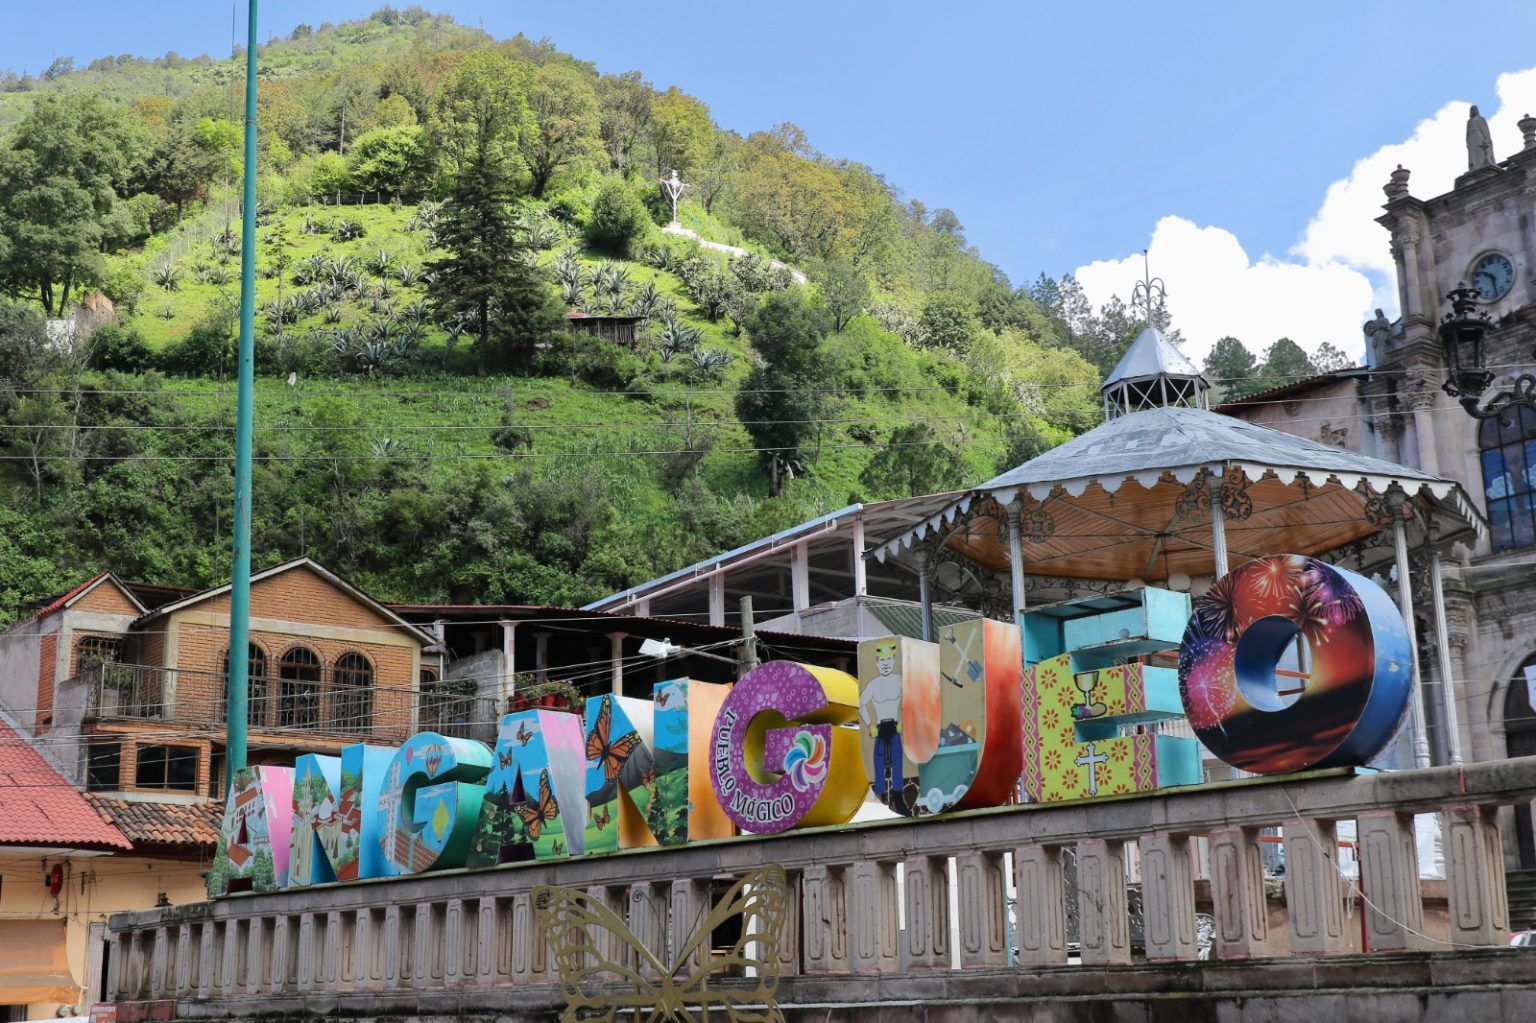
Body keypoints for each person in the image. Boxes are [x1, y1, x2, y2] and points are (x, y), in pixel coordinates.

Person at [861, 639, 905, 806]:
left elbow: (910, 699)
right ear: (877, 663)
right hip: (879, 728)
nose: (886, 664)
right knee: (879, 763)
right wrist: (870, 724)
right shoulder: (873, 685)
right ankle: (881, 793)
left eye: (889, 660)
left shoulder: (899, 680)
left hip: (895, 727)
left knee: (897, 760)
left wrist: (903, 721)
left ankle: (898, 796)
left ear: (893, 660)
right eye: (882, 661)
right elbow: (862, 702)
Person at [1468, 105, 1496, 171]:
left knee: (1480, 151)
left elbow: (1485, 130)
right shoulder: (1469, 121)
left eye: (1474, 109)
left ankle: (1481, 164)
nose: (1473, 111)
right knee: (1473, 153)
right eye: (1472, 110)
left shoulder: (1480, 119)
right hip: (1471, 138)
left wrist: (1486, 138)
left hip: (1479, 136)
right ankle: (1475, 166)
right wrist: (1467, 141)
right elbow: (1467, 133)